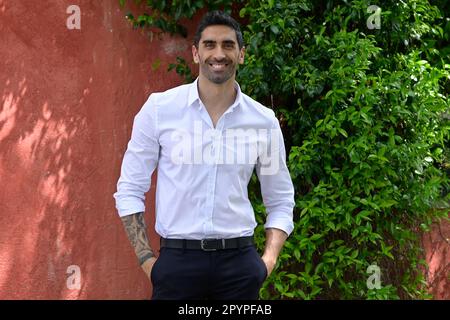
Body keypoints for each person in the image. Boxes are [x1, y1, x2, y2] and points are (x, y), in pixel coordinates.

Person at [114, 10, 295, 300]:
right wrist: (148, 262)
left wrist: (267, 262)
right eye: (209, 44)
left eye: (228, 45)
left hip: (240, 266)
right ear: (196, 53)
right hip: (176, 264)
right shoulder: (160, 110)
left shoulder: (263, 121)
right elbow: (129, 189)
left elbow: (281, 200)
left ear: (241, 54)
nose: (218, 53)